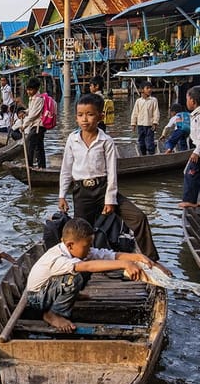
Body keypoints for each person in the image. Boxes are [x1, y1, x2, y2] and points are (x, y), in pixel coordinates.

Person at [59, 93, 161, 261]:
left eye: (90, 114)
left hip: (103, 189)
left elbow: (112, 173)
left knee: (138, 217)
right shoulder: (72, 139)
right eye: (80, 115)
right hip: (81, 192)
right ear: (76, 117)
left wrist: (110, 199)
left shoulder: (106, 141)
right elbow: (66, 169)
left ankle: (151, 259)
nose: (85, 119)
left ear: (101, 117)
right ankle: (76, 263)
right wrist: (62, 195)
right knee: (79, 233)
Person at [26, 218, 158, 332]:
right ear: (70, 245)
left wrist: (138, 257)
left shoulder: (77, 251)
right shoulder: (58, 258)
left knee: (89, 264)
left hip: (49, 290)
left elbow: (109, 255)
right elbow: (88, 266)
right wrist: (125, 264)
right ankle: (53, 314)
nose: (90, 249)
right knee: (75, 277)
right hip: (38, 298)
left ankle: (69, 295)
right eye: (87, 246)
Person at [21, 77, 48, 169]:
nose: (28, 92)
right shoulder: (32, 98)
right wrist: (25, 112)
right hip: (36, 125)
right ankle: (42, 167)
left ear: (36, 89)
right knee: (38, 147)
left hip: (38, 126)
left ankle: (29, 166)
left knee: (30, 144)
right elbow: (31, 110)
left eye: (30, 90)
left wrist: (24, 125)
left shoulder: (38, 99)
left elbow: (33, 115)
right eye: (27, 89)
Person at [130, 82, 159, 155]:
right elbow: (135, 113)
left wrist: (155, 123)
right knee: (141, 143)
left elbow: (156, 112)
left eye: (150, 88)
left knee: (149, 143)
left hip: (149, 125)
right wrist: (133, 124)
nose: (149, 90)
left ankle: (152, 155)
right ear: (142, 90)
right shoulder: (138, 101)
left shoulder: (153, 100)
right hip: (140, 125)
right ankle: (143, 155)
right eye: (147, 88)